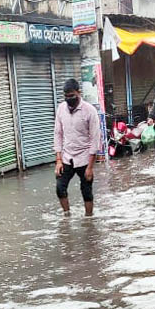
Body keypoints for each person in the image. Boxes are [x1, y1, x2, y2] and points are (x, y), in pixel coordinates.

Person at [54, 78, 101, 217]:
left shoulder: (89, 110)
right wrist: (58, 160)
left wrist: (90, 167)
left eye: (72, 95)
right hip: (67, 157)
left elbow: (95, 138)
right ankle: (67, 216)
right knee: (59, 188)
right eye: (66, 96)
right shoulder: (61, 108)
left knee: (86, 191)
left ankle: (89, 219)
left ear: (79, 93)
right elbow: (58, 133)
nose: (69, 99)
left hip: (85, 158)